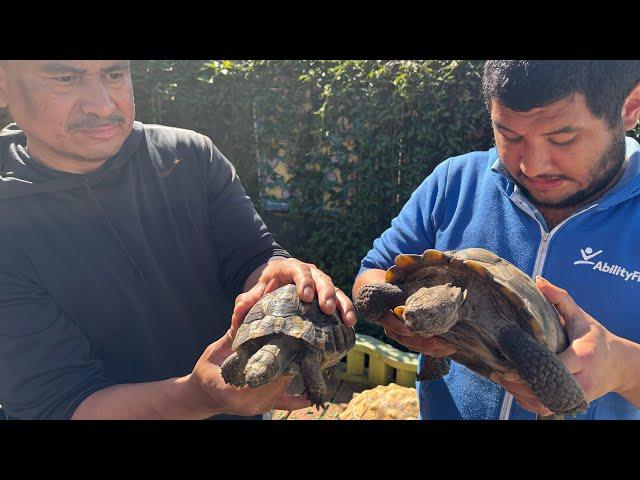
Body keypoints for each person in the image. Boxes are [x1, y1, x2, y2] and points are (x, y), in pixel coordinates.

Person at [0, 60, 356, 420]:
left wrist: (282, 275)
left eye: (114, 74)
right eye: (65, 77)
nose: (104, 105)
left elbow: (252, 258)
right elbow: (58, 404)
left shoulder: (188, 156)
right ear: (3, 85)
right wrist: (198, 397)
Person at [353, 60, 640, 420]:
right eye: (509, 135)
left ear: (629, 107)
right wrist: (393, 316)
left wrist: (622, 368)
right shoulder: (454, 183)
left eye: (562, 138)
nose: (532, 165)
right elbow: (372, 273)